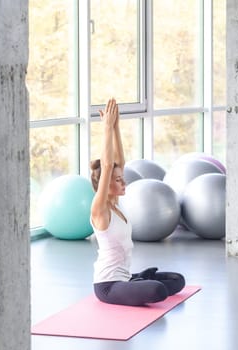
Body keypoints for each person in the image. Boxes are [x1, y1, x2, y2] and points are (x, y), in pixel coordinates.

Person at [89, 98, 185, 306]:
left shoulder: (115, 203)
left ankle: (137, 279)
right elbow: (107, 167)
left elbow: (118, 163)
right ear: (105, 184)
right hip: (108, 286)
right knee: (158, 290)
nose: (124, 182)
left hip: (125, 278)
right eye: (117, 180)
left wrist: (115, 127)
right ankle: (138, 282)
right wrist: (105, 129)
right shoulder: (100, 209)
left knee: (178, 281)